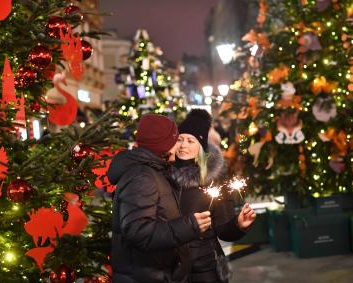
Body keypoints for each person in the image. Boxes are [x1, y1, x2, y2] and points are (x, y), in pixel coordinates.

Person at [107, 114, 212, 283]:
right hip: (147, 276)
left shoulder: (154, 171)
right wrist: (189, 226)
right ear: (163, 145)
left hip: (157, 273)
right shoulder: (142, 177)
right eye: (176, 140)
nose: (179, 145)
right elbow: (139, 232)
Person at [169, 109, 256, 283]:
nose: (183, 145)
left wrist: (238, 225)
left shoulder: (213, 180)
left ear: (201, 146)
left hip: (204, 266)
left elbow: (223, 229)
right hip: (169, 265)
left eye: (190, 140)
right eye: (180, 139)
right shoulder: (163, 174)